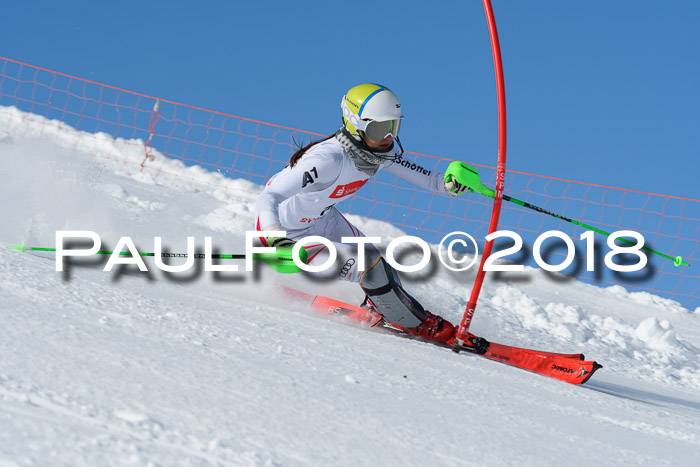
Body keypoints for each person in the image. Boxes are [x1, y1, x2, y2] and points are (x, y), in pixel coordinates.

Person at [256, 83, 486, 344]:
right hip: (287, 240)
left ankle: (389, 310)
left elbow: (432, 181)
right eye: (380, 128)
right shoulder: (326, 159)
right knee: (369, 267)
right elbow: (269, 196)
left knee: (377, 261)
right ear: (356, 125)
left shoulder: (378, 153)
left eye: (394, 127)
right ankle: (417, 324)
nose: (388, 137)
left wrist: (453, 184)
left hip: (323, 221)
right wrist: (275, 237)